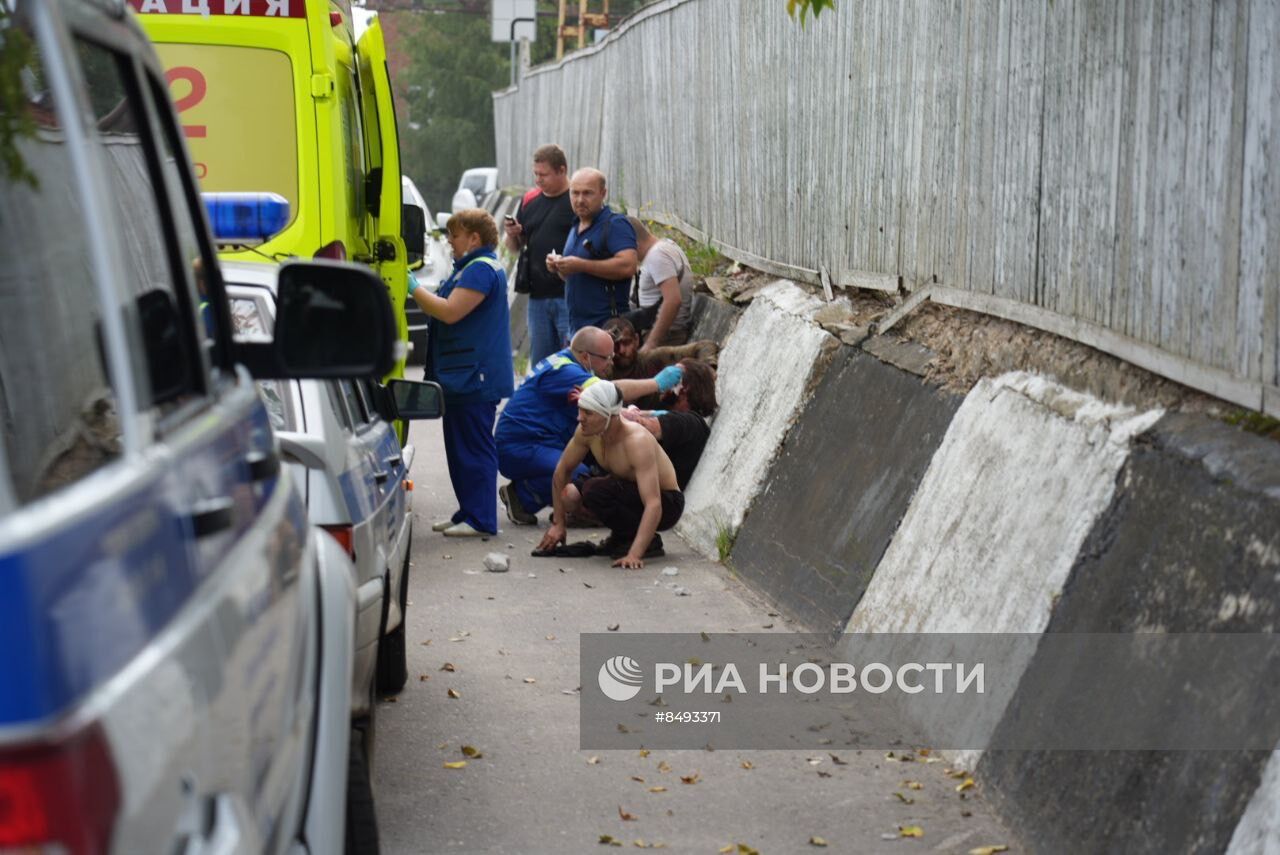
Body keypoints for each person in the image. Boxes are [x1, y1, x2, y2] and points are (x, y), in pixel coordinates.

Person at [495, 326, 683, 526]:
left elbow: (608, 409)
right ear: (585, 357)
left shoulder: (565, 362)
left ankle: (532, 496)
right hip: (520, 446)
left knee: (588, 468)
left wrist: (650, 415)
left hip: (538, 440)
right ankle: (524, 496)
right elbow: (610, 393)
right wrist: (656, 384)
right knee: (578, 478)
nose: (611, 363)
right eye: (606, 358)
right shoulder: (565, 372)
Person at [409, 208, 513, 537]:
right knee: (460, 448)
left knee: (474, 447)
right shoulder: (469, 268)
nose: (450, 241)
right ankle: (468, 511)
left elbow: (450, 312)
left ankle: (481, 519)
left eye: (454, 235)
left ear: (473, 238)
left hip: (475, 376)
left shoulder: (480, 270)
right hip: (462, 374)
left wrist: (412, 288)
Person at [537, 380, 684, 569]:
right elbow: (562, 470)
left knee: (595, 491)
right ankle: (623, 534)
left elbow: (653, 503)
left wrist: (634, 554)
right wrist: (558, 523)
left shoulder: (636, 441)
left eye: (588, 413)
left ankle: (644, 542)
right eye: (580, 410)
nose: (580, 418)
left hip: (667, 504)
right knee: (569, 495)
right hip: (627, 489)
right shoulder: (587, 432)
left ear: (610, 415)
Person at [504, 144, 575, 365]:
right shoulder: (529, 201)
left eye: (543, 174)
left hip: (568, 295)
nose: (538, 180)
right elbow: (515, 247)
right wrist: (512, 234)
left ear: (562, 170)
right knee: (542, 366)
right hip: (537, 298)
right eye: (535, 174)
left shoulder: (576, 201)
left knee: (571, 363)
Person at [545, 168, 637, 331]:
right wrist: (560, 266)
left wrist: (581, 265)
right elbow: (576, 276)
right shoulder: (576, 226)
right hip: (577, 329)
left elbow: (628, 266)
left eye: (587, 193)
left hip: (608, 331)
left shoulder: (615, 224)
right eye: (575, 193)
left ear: (603, 193)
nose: (580, 200)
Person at [620, 357, 717, 490]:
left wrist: (654, 384)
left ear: (685, 387)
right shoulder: (675, 418)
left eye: (675, 374)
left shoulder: (690, 422)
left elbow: (642, 423)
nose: (667, 376)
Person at [623, 216, 695, 347]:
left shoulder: (658, 255)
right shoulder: (659, 250)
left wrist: (650, 344)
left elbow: (673, 301)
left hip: (667, 337)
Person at [603, 316, 718, 382]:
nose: (622, 350)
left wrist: (707, 368)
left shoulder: (652, 359)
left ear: (636, 340)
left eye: (626, 343)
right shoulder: (602, 373)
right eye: (616, 346)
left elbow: (705, 346)